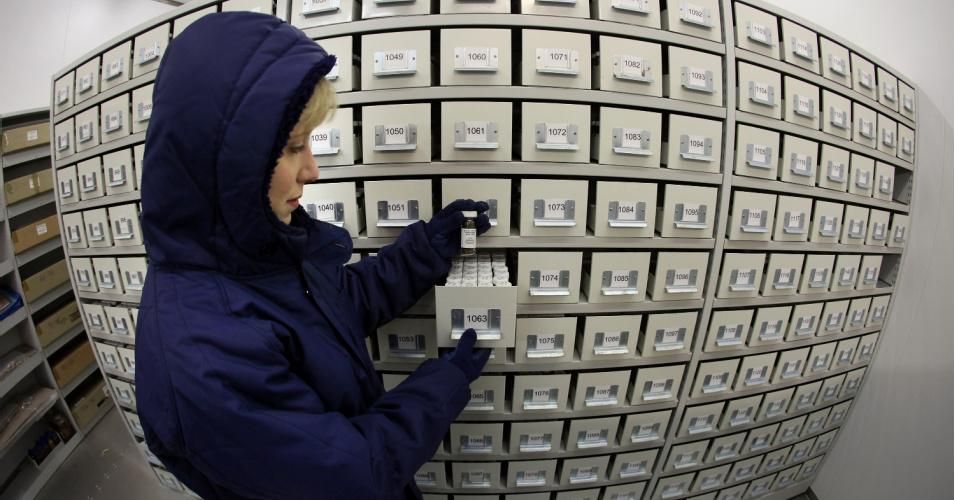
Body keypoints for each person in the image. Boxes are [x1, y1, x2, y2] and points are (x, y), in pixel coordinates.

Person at [135, 12, 492, 499]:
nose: (313, 170)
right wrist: (444, 382)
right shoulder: (203, 358)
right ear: (228, 164)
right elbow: (352, 474)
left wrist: (429, 246)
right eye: (294, 147)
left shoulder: (254, 258)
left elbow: (341, 303)